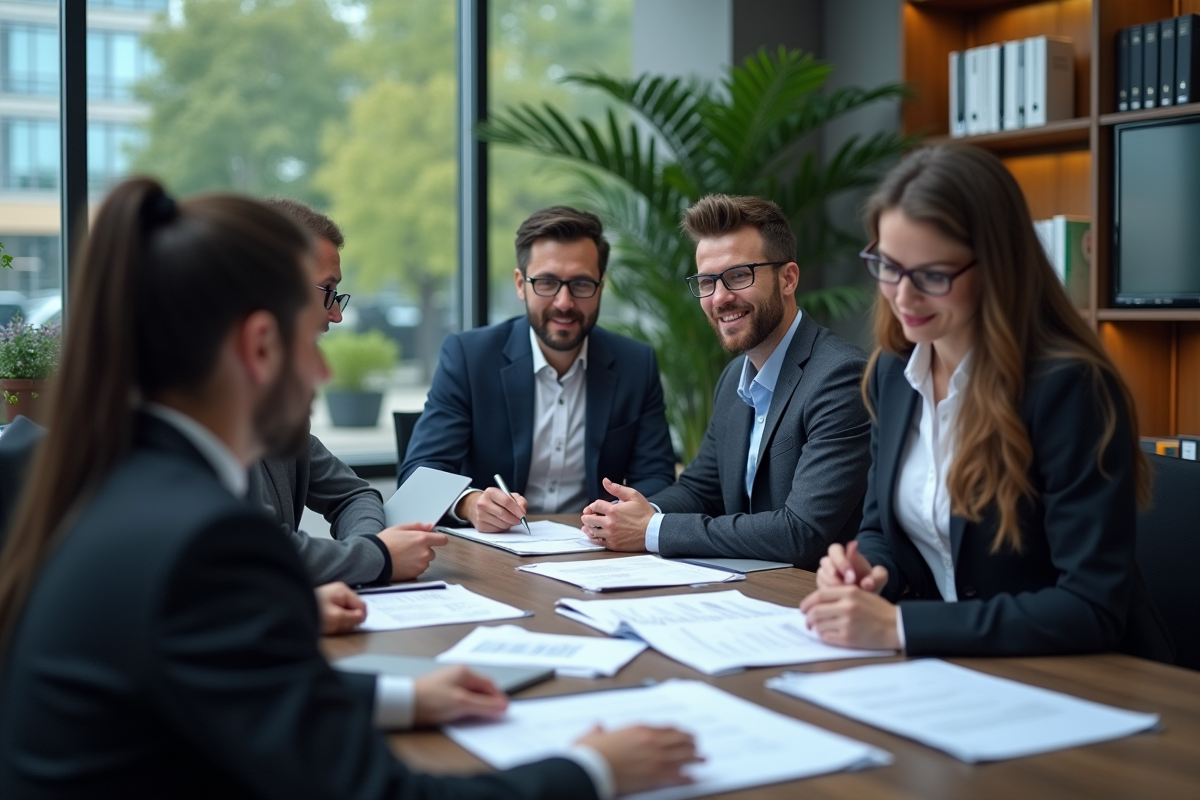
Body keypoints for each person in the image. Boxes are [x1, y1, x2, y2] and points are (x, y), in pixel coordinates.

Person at [0, 179, 699, 799]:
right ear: (258, 345)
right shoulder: (205, 540)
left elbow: (236, 686)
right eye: (316, 329)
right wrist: (595, 770)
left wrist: (399, 696)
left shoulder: (122, 484)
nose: (326, 371)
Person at [800, 144, 1174, 660]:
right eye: (888, 266)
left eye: (932, 276)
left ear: (997, 266)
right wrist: (868, 572)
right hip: (960, 670)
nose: (903, 297)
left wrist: (901, 627)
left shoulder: (1068, 386)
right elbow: (881, 529)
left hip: (1086, 682)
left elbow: (1090, 607)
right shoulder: (894, 370)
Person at [580, 195, 871, 568]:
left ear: (788, 279)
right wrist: (634, 514)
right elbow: (702, 488)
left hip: (813, 603)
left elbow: (801, 532)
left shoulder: (840, 378)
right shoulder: (736, 377)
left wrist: (653, 530)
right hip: (744, 592)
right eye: (706, 281)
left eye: (738, 276)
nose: (720, 298)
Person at [400, 206, 677, 532]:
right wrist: (470, 503)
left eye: (582, 284)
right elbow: (420, 472)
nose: (564, 302)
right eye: (546, 282)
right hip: (495, 557)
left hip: (597, 554)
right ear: (521, 284)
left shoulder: (636, 363)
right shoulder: (469, 356)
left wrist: (624, 515)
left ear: (600, 287)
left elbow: (656, 477)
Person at [254, 197, 444, 586]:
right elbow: (257, 555)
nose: (336, 315)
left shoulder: (276, 411)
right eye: (327, 290)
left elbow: (355, 495)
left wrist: (367, 551)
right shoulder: (201, 419)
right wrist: (377, 556)